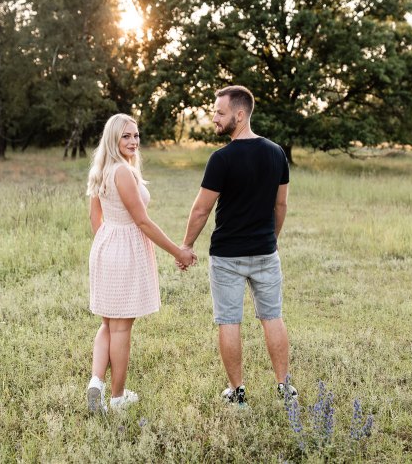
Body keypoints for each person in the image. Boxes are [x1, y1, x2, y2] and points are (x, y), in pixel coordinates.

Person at [179, 85, 297, 405]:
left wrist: (186, 245)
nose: (214, 118)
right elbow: (281, 206)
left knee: (229, 321)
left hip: (227, 256)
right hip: (264, 252)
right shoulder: (276, 153)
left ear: (240, 115)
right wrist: (271, 239)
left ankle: (238, 393)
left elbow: (201, 208)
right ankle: (284, 388)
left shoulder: (221, 159)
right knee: (272, 317)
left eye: (220, 112)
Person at [86, 113, 196, 413]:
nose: (133, 141)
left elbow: (96, 219)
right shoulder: (122, 172)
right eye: (126, 136)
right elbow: (143, 222)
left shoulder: (101, 170)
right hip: (123, 250)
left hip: (105, 246)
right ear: (113, 139)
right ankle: (118, 397)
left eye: (136, 135)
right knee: (121, 329)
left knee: (107, 322)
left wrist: (107, 244)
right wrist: (178, 251)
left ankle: (96, 381)